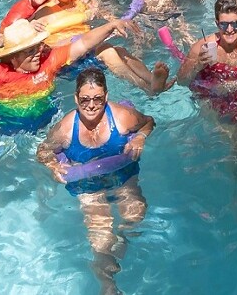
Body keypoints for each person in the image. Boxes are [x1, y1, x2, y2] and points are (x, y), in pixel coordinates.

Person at [36, 69, 154, 293]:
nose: (91, 105)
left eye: (97, 98)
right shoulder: (65, 129)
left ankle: (121, 239)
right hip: (86, 183)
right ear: (76, 98)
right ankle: (108, 285)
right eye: (85, 100)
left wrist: (140, 137)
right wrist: (53, 166)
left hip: (122, 175)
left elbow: (148, 122)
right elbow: (43, 151)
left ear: (106, 97)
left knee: (135, 215)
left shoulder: (122, 117)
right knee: (101, 239)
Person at [0, 16, 162, 132]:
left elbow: (84, 43)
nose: (38, 53)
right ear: (13, 56)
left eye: (38, 47)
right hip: (6, 125)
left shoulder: (48, 61)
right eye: (30, 50)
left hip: (48, 120)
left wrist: (111, 25)